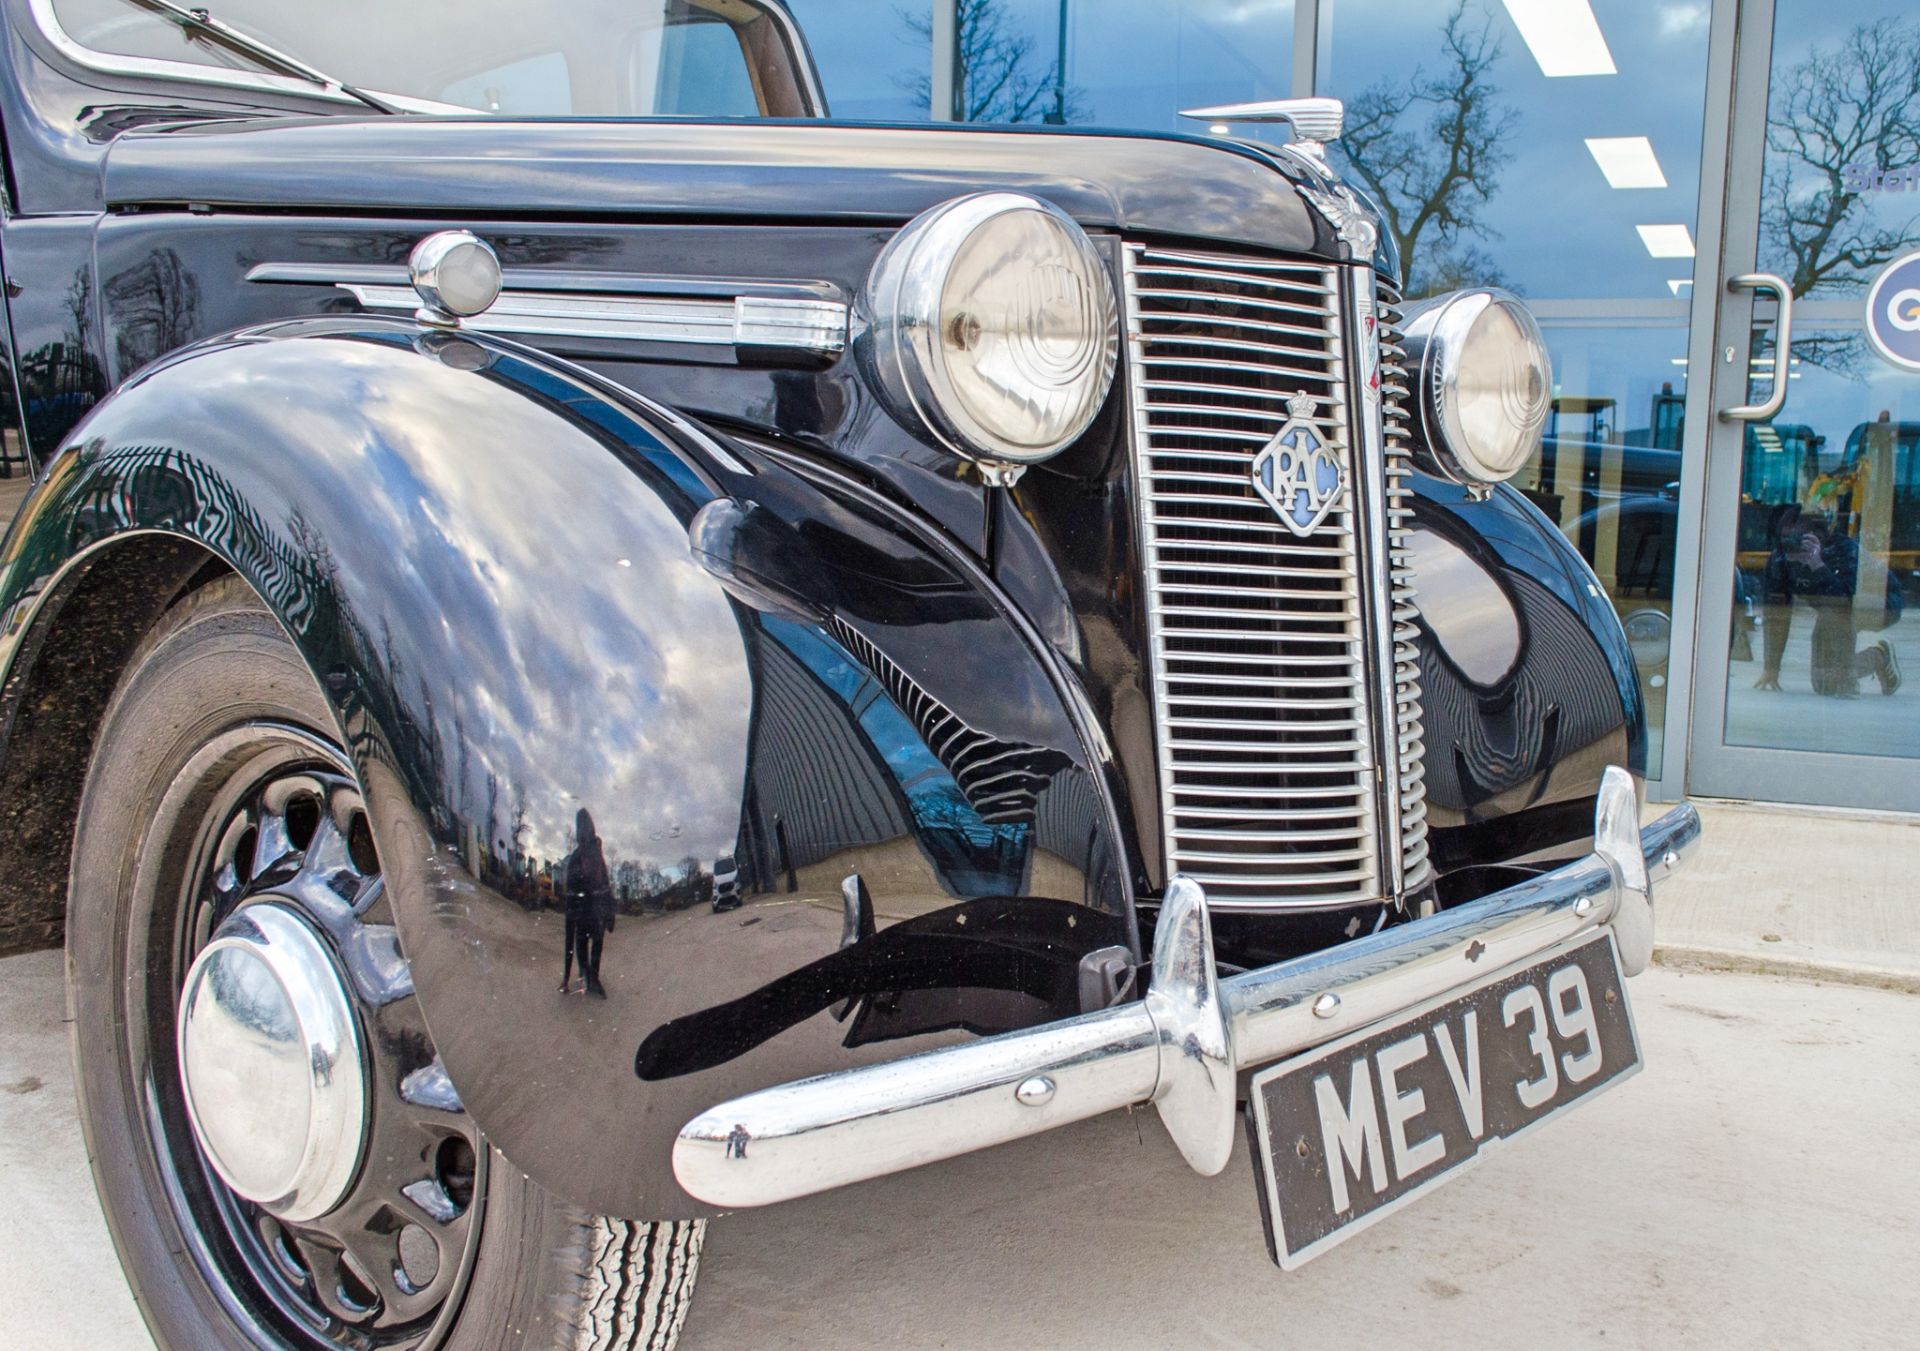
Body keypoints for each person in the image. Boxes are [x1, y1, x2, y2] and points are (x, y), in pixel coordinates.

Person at [1755, 505, 1902, 698]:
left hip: (1881, 603)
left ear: (1819, 537)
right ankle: (1877, 656)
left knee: (1836, 616)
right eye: (1786, 539)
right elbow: (1776, 616)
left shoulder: (1843, 552)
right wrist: (1771, 669)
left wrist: (1818, 565)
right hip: (1832, 608)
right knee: (1824, 683)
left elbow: (1845, 602)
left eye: (1799, 539)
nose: (1792, 545)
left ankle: (1850, 674)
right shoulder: (1780, 561)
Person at [559, 808, 612, 998]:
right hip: (586, 908)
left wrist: (608, 909)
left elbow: (604, 881)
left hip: (589, 908)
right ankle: (587, 976)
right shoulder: (581, 856)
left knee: (588, 943)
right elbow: (603, 882)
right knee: (585, 943)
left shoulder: (591, 854)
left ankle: (590, 976)